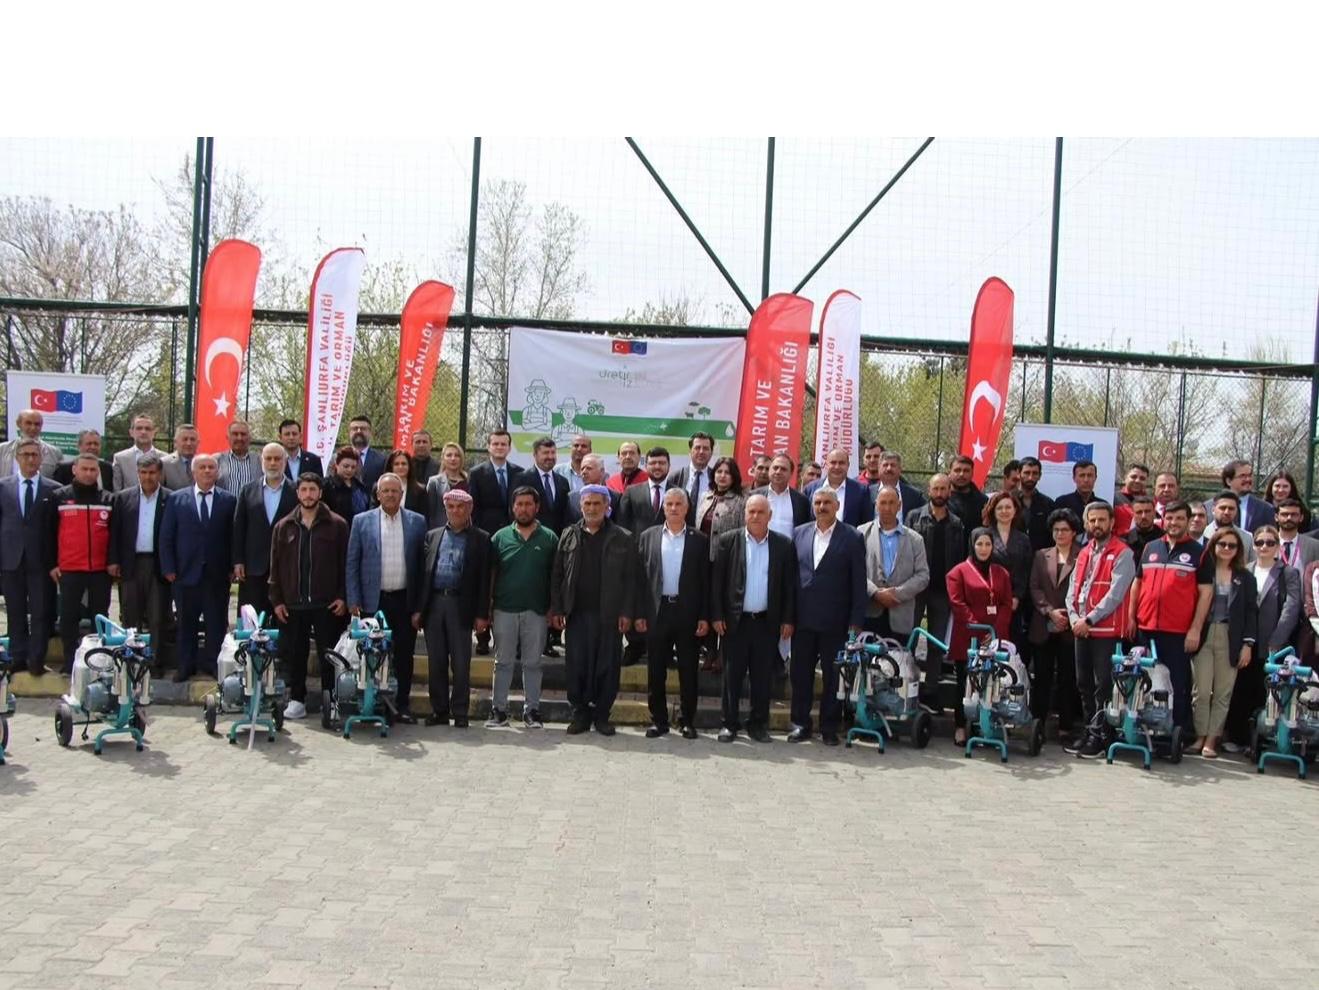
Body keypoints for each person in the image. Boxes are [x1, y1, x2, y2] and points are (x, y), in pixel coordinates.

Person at [549, 484, 640, 735]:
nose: (591, 508)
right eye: (587, 504)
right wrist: (557, 608)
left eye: (597, 503)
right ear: (580, 506)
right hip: (577, 614)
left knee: (607, 667)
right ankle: (580, 714)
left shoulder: (623, 537)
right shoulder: (568, 534)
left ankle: (602, 716)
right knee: (576, 665)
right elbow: (557, 574)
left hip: (609, 615)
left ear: (607, 506)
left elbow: (631, 579)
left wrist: (627, 612)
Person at [711, 494, 796, 743]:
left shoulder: (783, 545)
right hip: (735, 622)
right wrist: (717, 615)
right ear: (744, 514)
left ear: (770, 516)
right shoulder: (728, 541)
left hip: (767, 623)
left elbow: (789, 587)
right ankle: (729, 724)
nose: (756, 516)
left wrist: (788, 619)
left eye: (761, 512)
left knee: (762, 678)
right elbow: (717, 582)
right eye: (751, 511)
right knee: (732, 677)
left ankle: (758, 725)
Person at [788, 487, 867, 746]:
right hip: (803, 619)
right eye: (818, 502)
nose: (821, 507)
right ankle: (800, 724)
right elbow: (791, 579)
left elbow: (858, 582)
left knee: (833, 678)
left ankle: (829, 727)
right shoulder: (799, 533)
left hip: (836, 621)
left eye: (827, 503)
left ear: (837, 506)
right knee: (801, 675)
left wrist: (856, 621)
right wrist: (788, 616)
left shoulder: (853, 537)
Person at [346, 473, 427, 722]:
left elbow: (422, 567)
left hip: (404, 600)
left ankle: (402, 705)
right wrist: (353, 599)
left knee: (404, 655)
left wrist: (420, 606)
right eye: (386, 491)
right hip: (373, 601)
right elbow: (352, 562)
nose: (390, 495)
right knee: (374, 655)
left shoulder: (417, 522)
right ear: (378, 494)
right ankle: (377, 704)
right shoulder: (362, 521)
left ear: (402, 495)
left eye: (395, 491)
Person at [268, 473, 348, 720]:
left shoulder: (337, 525)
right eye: (304, 490)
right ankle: (297, 700)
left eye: (313, 490)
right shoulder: (284, 526)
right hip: (293, 603)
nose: (308, 495)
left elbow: (345, 564)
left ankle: (330, 700)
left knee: (329, 655)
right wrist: (277, 601)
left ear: (320, 493)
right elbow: (275, 567)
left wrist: (342, 596)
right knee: (296, 655)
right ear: (297, 493)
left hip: (327, 603)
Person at [635, 488, 709, 739]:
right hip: (657, 611)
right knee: (656, 669)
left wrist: (704, 616)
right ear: (663, 508)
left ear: (687, 508)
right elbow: (640, 578)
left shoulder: (699, 540)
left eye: (679, 504)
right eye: (669, 504)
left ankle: (687, 720)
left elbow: (705, 581)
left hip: (688, 612)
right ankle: (659, 721)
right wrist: (639, 613)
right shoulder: (648, 536)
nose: (674, 508)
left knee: (688, 669)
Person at [1064, 501, 1136, 758]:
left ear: (1112, 522)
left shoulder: (1123, 553)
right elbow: (1073, 589)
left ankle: (1101, 736)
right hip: (1081, 629)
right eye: (1092, 520)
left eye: (1102, 520)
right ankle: (1089, 730)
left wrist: (1089, 620)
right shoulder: (1084, 552)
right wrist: (1074, 618)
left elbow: (1115, 595)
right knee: (1083, 683)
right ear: (1086, 523)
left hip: (1105, 630)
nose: (1097, 524)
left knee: (1102, 685)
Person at [415, 487, 491, 729]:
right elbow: (422, 575)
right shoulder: (432, 536)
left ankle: (460, 712)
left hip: (462, 605)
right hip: (435, 604)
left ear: (469, 509)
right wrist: (418, 609)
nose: (456, 511)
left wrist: (482, 614)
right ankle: (439, 710)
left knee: (461, 662)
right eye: (451, 507)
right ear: (445, 509)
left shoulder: (481, 539)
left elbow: (484, 580)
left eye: (460, 507)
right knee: (436, 661)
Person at [485, 486, 558, 730]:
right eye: (519, 504)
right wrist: (488, 605)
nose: (523, 509)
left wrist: (553, 607)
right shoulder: (500, 537)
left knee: (533, 662)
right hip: (504, 608)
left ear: (537, 507)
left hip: (536, 610)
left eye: (528, 504)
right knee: (503, 661)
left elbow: (555, 577)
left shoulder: (549, 538)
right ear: (512, 507)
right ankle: (498, 710)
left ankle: (532, 711)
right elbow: (491, 573)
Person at [1223, 523, 1300, 753]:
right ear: (1253, 545)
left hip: (1273, 644)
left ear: (1278, 546)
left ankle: (1263, 741)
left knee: (1266, 692)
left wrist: (1277, 640)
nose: (1264, 546)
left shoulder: (1288, 573)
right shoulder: (1244, 570)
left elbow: (1291, 608)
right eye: (1259, 542)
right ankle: (1237, 737)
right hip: (1244, 643)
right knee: (1241, 690)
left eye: (1270, 542)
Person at [1127, 500, 1201, 739]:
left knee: (1177, 684)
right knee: (1142, 680)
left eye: (1180, 518)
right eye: (1170, 518)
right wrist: (1131, 617)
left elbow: (1206, 593)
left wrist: (1195, 629)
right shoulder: (1151, 547)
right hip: (1145, 628)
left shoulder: (1199, 552)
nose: (1174, 522)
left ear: (1188, 521)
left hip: (1177, 631)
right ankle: (1143, 728)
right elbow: (1137, 583)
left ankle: (1175, 734)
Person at [159, 453, 236, 681]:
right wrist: (168, 567)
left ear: (217, 472)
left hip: (217, 575)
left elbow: (233, 537)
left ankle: (213, 664)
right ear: (194, 472)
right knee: (186, 623)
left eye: (211, 467)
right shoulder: (176, 499)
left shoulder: (229, 500)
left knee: (216, 623)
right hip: (185, 574)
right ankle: (186, 665)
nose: (207, 471)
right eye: (202, 467)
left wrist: (232, 566)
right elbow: (166, 536)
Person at [1186, 527, 1258, 758]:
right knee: (1201, 690)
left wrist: (1247, 645)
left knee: (1222, 692)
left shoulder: (1245, 577)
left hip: (1231, 637)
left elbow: (1251, 612)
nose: (1226, 548)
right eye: (1222, 544)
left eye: (1232, 545)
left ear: (1238, 550)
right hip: (1204, 634)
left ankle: (1211, 739)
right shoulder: (1202, 571)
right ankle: (1199, 736)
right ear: (1213, 545)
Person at [946, 528, 1014, 745]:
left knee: (993, 681)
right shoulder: (958, 572)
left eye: (987, 544)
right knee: (965, 681)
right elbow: (958, 604)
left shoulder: (1001, 573)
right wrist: (980, 629)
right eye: (979, 544)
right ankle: (960, 726)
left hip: (995, 637)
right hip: (968, 636)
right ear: (972, 545)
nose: (983, 549)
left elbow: (1006, 603)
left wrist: (995, 631)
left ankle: (986, 724)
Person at [47, 454, 114, 672]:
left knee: (100, 618)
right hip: (69, 569)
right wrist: (52, 564)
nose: (88, 473)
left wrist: (113, 562)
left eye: (93, 470)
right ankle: (70, 663)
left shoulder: (108, 499)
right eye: (84, 469)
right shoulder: (59, 497)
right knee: (68, 618)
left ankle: (98, 661)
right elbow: (48, 534)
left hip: (100, 570)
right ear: (74, 470)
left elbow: (115, 535)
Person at [906, 473, 966, 707]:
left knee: (936, 643)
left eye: (943, 489)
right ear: (929, 490)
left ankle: (931, 691)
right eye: (936, 489)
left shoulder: (957, 523)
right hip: (916, 588)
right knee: (909, 638)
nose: (939, 493)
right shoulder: (914, 517)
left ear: (949, 491)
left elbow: (960, 557)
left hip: (943, 590)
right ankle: (906, 685)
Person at [108, 452, 172, 674]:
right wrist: (113, 561)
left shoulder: (170, 498)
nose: (147, 477)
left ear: (160, 474)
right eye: (143, 472)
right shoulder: (123, 498)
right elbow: (115, 532)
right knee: (130, 615)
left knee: (157, 617)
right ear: (137, 473)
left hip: (158, 565)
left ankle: (154, 663)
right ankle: (131, 661)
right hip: (131, 563)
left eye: (152, 472)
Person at [0, 440, 59, 674]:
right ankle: (17, 659)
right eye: (26, 455)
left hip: (41, 562)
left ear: (41, 458)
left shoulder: (54, 489)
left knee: (41, 614)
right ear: (17, 457)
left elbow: (57, 530)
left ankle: (36, 661)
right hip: (11, 560)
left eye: (35, 455)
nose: (30, 459)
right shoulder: (3, 487)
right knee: (15, 613)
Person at [1028, 509, 1082, 742]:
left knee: (1068, 678)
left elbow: (1084, 588)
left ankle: (1065, 726)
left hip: (1071, 626)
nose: (1060, 534)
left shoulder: (1083, 555)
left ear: (1074, 532)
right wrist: (1050, 612)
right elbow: (1034, 587)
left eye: (1065, 530)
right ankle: (1038, 723)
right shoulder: (1042, 555)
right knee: (1042, 676)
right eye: (1056, 530)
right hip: (1044, 624)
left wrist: (1067, 615)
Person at [232, 442, 296, 617]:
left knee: (284, 619)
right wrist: (238, 560)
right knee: (251, 619)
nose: (273, 463)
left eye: (277, 459)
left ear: (285, 462)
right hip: (254, 568)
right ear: (262, 461)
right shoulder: (248, 490)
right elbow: (239, 527)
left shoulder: (296, 491)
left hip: (286, 567)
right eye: (268, 459)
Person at [857, 485, 929, 640]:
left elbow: (923, 575)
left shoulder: (915, 539)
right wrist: (875, 592)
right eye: (883, 503)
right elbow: (856, 570)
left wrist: (897, 594)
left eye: (891, 503)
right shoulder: (861, 533)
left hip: (901, 616)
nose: (887, 508)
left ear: (899, 505)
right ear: (876, 505)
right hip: (869, 613)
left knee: (899, 655)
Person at [982, 491, 1033, 638]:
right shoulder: (983, 536)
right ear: (993, 510)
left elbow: (1026, 571)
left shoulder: (1023, 539)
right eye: (1000, 508)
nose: (1004, 511)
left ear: (1015, 510)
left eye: (1008, 507)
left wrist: (1017, 596)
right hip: (988, 599)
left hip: (1014, 602)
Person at [803, 448, 873, 527]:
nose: (837, 467)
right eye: (833, 463)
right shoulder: (810, 489)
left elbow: (867, 524)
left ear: (848, 465)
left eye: (841, 463)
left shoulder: (861, 491)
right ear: (826, 464)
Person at [749, 452, 811, 541]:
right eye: (775, 468)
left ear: (791, 473)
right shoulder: (753, 496)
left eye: (783, 469)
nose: (778, 472)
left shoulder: (801, 501)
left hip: (789, 549)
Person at [694, 456, 747, 555]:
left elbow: (742, 533)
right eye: (719, 471)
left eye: (727, 473)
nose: (722, 476)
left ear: (734, 476)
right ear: (713, 474)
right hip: (700, 553)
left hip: (725, 555)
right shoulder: (705, 496)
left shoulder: (741, 500)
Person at [618, 446, 671, 537]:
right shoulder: (631, 492)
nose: (657, 466)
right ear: (646, 466)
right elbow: (622, 524)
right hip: (638, 545)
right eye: (652, 463)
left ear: (669, 466)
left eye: (662, 463)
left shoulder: (679, 493)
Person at [666, 431, 716, 525]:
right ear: (690, 451)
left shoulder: (716, 478)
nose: (701, 452)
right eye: (697, 448)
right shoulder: (676, 477)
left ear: (711, 453)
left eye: (705, 448)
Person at [1213, 458, 1273, 532]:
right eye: (1242, 476)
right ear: (1229, 481)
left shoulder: (1265, 509)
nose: (1248, 479)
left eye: (1250, 475)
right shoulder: (1209, 507)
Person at [525, 436, 570, 534]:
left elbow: (566, 513)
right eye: (545, 453)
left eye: (553, 453)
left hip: (559, 537)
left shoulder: (563, 482)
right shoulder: (523, 479)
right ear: (535, 455)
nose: (550, 457)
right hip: (532, 536)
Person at [0, 408, 62, 477]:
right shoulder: (2, 449)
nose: (33, 428)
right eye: (28, 423)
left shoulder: (54, 453)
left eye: (37, 424)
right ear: (18, 424)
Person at [323, 446, 370, 528]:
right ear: (336, 465)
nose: (349, 470)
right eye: (346, 466)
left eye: (353, 467)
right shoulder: (326, 486)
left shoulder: (360, 487)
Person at [424, 442, 471, 525]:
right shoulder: (434, 482)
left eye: (457, 455)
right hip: (442, 528)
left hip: (467, 527)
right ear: (443, 458)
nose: (453, 458)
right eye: (449, 455)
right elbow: (430, 512)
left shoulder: (470, 481)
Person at [111, 414, 161, 491]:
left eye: (147, 429)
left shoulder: (165, 458)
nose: (143, 432)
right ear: (131, 432)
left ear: (154, 433)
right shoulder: (120, 458)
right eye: (139, 428)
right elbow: (117, 491)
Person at [1202, 490, 1256, 562]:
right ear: (1213, 510)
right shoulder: (1202, 534)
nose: (1226, 512)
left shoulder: (1247, 538)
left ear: (1236, 511)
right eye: (1222, 508)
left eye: (1231, 509)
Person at [1017, 456, 1056, 551]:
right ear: (1019, 474)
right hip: (1013, 555)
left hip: (1041, 555)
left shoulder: (1048, 503)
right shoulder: (1008, 500)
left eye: (1035, 473)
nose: (1030, 477)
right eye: (1027, 473)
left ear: (1040, 476)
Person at [373, 449, 428, 517]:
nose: (400, 467)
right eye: (396, 464)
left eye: (403, 464)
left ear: (409, 466)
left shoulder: (420, 490)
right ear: (391, 466)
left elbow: (423, 517)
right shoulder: (378, 487)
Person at [567, 453, 618, 521]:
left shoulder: (615, 497)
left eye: (589, 468)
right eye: (582, 469)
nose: (584, 472)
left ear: (602, 471)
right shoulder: (571, 498)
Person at [214, 420, 260, 494]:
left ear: (249, 438)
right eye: (235, 434)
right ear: (228, 437)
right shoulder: (216, 460)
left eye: (243, 434)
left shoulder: (260, 461)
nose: (239, 438)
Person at [877, 450, 927, 518]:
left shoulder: (915, 496)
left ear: (900, 469)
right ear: (879, 469)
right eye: (885, 465)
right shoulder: (868, 494)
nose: (889, 468)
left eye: (893, 465)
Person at [947, 454, 987, 530]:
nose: (961, 474)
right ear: (949, 472)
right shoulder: (940, 499)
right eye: (957, 470)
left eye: (966, 471)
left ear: (972, 473)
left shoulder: (983, 502)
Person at [348, 415, 387, 490]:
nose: (359, 431)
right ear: (349, 432)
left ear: (370, 433)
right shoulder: (337, 458)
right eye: (355, 429)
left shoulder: (382, 460)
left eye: (363, 429)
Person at [161, 423, 198, 490]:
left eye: (192, 439)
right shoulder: (164, 464)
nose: (189, 443)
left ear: (198, 443)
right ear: (175, 442)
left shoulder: (204, 464)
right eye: (185, 439)